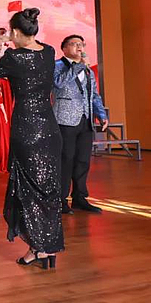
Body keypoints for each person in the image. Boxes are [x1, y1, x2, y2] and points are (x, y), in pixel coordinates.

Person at [0, 8, 64, 269]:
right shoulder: (49, 52)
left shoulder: (14, 57)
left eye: (10, 32)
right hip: (49, 127)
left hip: (26, 128)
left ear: (17, 32)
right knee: (48, 187)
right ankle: (47, 246)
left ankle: (38, 248)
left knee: (29, 189)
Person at [54, 35, 108, 214]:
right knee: (65, 160)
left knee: (82, 160)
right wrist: (78, 66)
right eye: (74, 44)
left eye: (81, 44)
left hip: (85, 120)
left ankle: (79, 198)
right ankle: (60, 200)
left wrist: (101, 114)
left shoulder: (88, 70)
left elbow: (94, 94)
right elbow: (58, 83)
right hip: (65, 120)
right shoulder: (57, 66)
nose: (79, 47)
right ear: (64, 48)